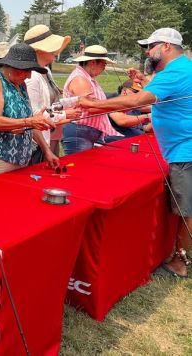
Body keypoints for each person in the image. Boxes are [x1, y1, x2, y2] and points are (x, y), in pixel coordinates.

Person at [79, 28, 191, 279]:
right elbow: (164, 92)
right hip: (181, 147)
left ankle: (180, 261)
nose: (148, 52)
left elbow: (133, 102)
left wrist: (93, 104)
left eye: (150, 47)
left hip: (184, 150)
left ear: (165, 47)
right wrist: (143, 78)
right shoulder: (183, 68)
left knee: (186, 209)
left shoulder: (174, 72)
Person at [0, 43, 58, 176]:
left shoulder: (21, 85)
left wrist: (47, 150)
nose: (29, 76)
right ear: (13, 67)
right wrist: (29, 122)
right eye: (27, 70)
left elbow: (31, 121)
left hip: (20, 159)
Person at [23, 24, 81, 162]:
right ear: (39, 51)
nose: (56, 51)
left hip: (44, 139)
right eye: (51, 47)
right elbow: (34, 115)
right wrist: (65, 114)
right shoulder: (31, 77)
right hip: (34, 144)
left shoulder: (45, 72)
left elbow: (49, 104)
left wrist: (73, 103)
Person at [62, 45, 122, 154]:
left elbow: (95, 104)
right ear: (93, 62)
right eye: (103, 64)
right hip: (80, 131)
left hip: (87, 131)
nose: (104, 68)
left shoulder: (87, 78)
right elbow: (92, 107)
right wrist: (119, 104)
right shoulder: (80, 79)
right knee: (80, 167)